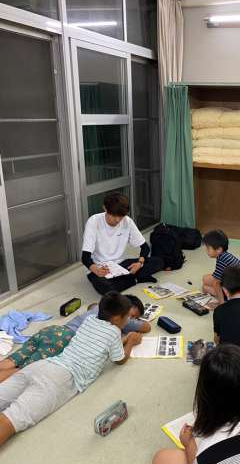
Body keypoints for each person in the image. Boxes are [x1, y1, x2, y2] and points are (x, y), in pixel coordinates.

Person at [0, 292, 141, 447]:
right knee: (9, 420)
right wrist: (131, 341)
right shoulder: (114, 332)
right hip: (61, 379)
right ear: (117, 318)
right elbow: (120, 360)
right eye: (127, 317)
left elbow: (100, 342)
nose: (128, 320)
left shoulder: (90, 319)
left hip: (43, 365)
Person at [0, 294, 150, 383]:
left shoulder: (99, 309)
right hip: (63, 339)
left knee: (14, 360)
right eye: (132, 316)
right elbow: (146, 327)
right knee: (24, 370)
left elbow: (91, 305)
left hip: (53, 330)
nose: (131, 319)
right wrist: (131, 337)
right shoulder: (120, 318)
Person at [82, 192, 164, 295]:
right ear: (105, 208)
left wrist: (139, 263)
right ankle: (136, 279)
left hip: (121, 265)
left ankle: (125, 279)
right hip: (101, 268)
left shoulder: (127, 221)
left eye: (121, 216)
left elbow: (145, 248)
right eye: (114, 215)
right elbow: (85, 257)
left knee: (159, 261)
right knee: (106, 288)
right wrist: (96, 270)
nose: (117, 220)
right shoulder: (94, 222)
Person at [202, 229, 240, 305]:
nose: (206, 250)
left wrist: (221, 303)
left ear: (219, 249)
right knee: (205, 278)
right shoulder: (226, 255)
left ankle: (226, 299)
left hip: (238, 291)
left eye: (208, 248)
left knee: (205, 287)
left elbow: (216, 283)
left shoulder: (221, 260)